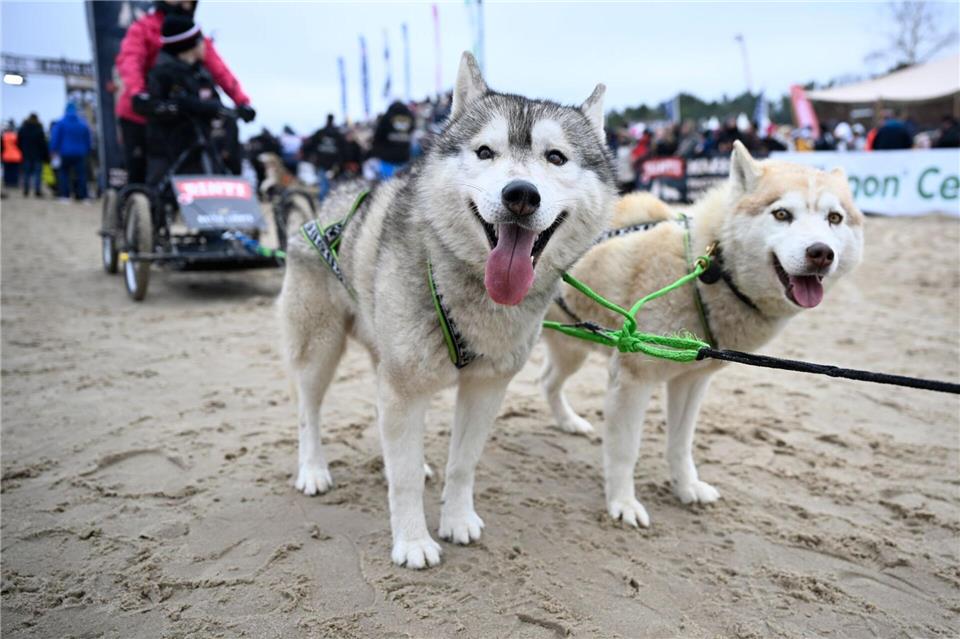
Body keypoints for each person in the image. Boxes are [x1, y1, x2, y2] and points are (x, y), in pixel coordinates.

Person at [115, 0, 253, 184]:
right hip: (141, 110)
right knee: (139, 174)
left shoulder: (192, 32)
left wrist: (242, 101)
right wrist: (138, 93)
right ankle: (133, 205)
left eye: (191, 3)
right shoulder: (144, 28)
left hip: (179, 115)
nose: (187, 6)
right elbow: (131, 62)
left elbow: (219, 69)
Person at [49, 103, 92, 200]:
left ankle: (65, 195)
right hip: (80, 153)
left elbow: (55, 138)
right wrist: (87, 150)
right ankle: (83, 196)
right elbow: (88, 139)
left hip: (64, 153)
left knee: (64, 174)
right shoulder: (82, 123)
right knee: (81, 175)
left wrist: (53, 150)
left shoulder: (61, 123)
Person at [370, 100, 414, 178]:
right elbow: (412, 132)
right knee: (402, 183)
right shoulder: (410, 117)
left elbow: (378, 136)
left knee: (386, 184)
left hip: (387, 158)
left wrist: (375, 151)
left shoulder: (387, 117)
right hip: (404, 156)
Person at [17, 113, 48, 197]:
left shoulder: (23, 128)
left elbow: (18, 142)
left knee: (26, 173)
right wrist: (45, 155)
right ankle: (37, 190)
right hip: (38, 155)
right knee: (38, 173)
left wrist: (22, 150)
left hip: (26, 154)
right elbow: (43, 144)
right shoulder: (39, 129)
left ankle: (26, 190)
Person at [2, 120, 23, 188]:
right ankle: (14, 183)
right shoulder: (16, 136)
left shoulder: (4, 136)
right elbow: (20, 146)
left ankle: (7, 183)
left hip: (6, 156)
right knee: (15, 171)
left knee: (7, 171)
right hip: (16, 156)